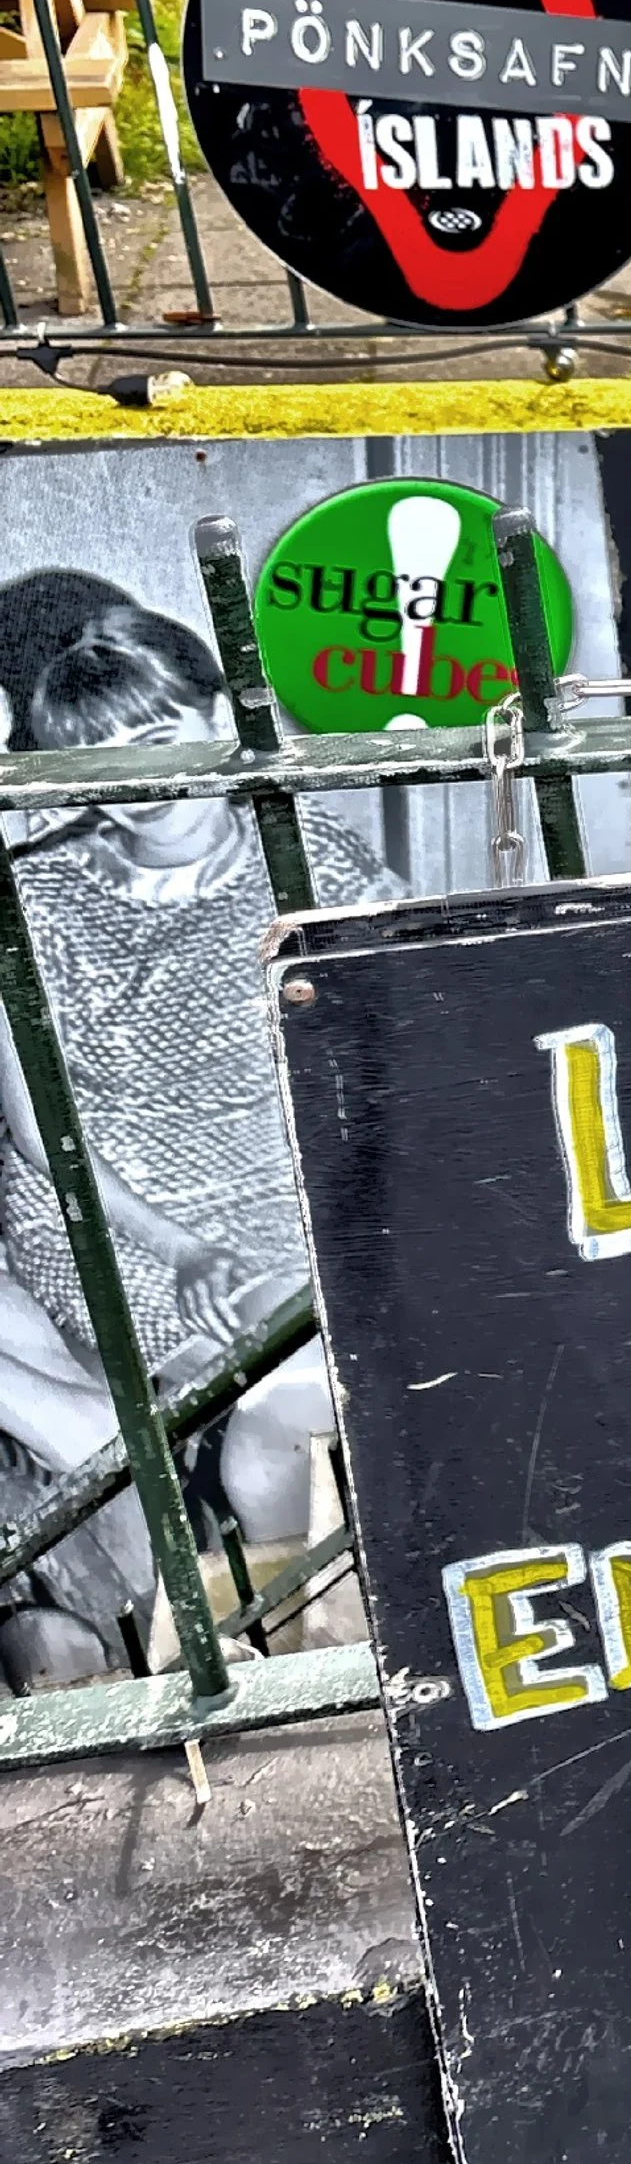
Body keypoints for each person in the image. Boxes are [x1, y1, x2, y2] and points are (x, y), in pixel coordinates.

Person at [0, 606, 399, 1678]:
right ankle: (256, 1621)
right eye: (104, 759)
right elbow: (43, 1130)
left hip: (283, 1191)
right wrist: (179, 1248)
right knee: (234, 1394)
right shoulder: (35, 892)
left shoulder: (312, 858)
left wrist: (325, 1218)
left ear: (219, 715)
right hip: (112, 1211)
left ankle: (280, 1610)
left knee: (287, 1400)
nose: (148, 779)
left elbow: (392, 1054)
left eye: (163, 733)